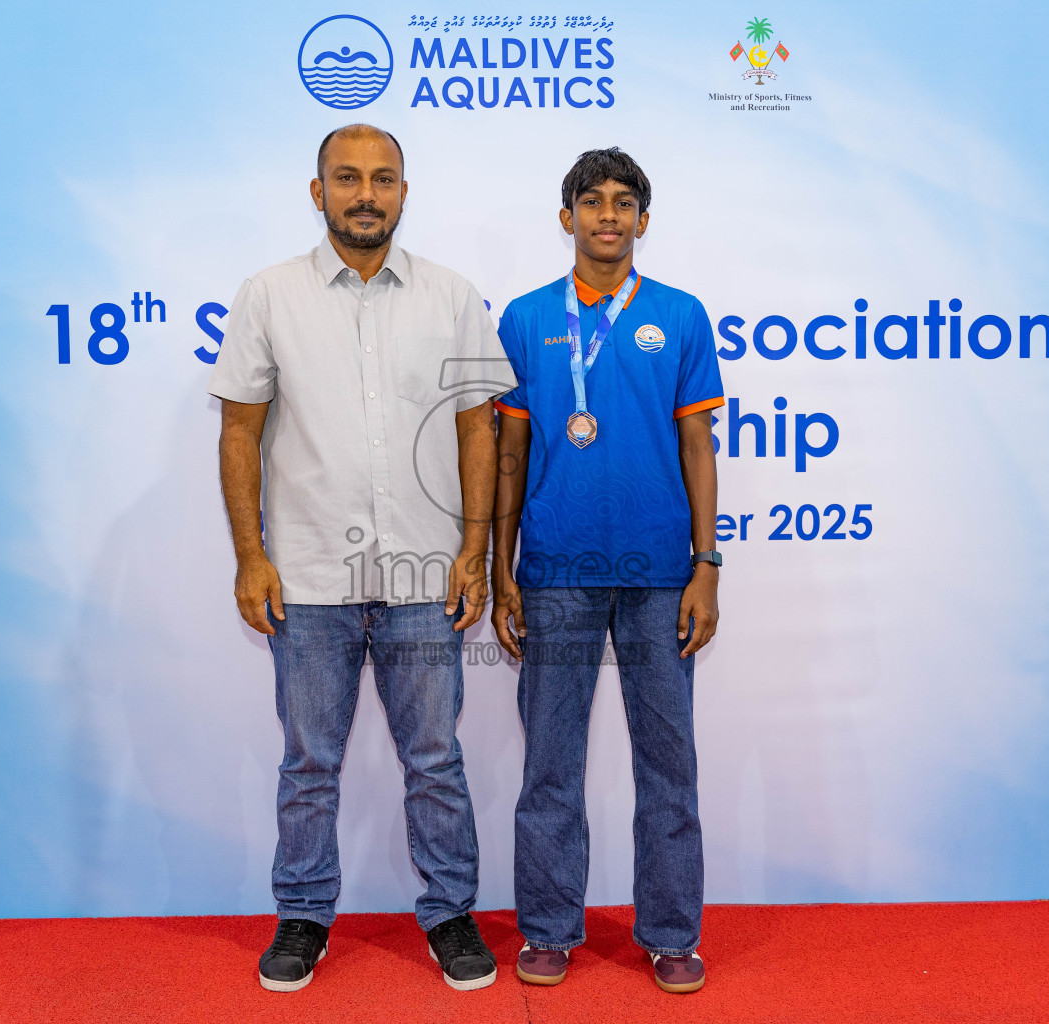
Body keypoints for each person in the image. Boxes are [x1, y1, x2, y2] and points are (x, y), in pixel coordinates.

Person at [209, 125, 516, 993]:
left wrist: (473, 549)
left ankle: (451, 912)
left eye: (383, 178)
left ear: (405, 192)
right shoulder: (269, 294)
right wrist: (250, 557)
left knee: (436, 758)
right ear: (318, 193)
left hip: (426, 576)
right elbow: (240, 429)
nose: (366, 194)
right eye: (348, 178)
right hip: (306, 581)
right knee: (309, 762)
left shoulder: (451, 296)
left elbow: (476, 429)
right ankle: (302, 917)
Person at [490, 148, 724, 994]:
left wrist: (707, 564)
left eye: (626, 203)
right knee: (550, 761)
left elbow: (697, 444)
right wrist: (501, 568)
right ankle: (550, 929)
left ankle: (670, 933)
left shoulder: (681, 315)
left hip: (663, 572)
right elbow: (509, 449)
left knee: (669, 762)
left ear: (644, 220)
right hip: (554, 571)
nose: (609, 217)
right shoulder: (523, 319)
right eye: (592, 202)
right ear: (567, 218)